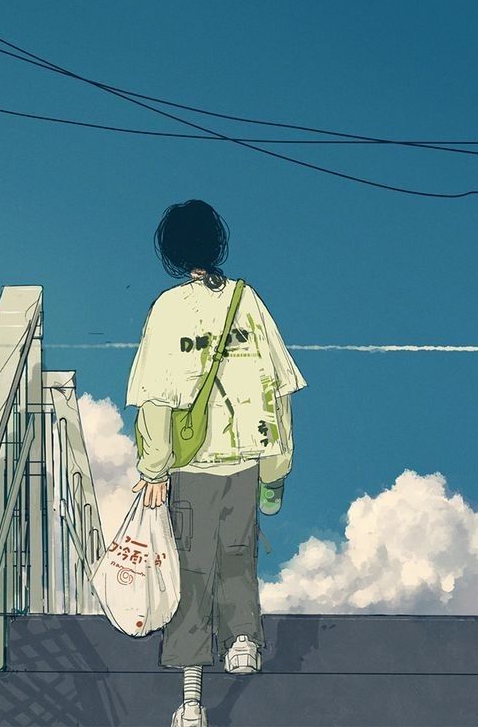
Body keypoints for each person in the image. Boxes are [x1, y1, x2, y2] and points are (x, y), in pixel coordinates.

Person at [126, 199, 306, 727]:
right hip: (246, 459)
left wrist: (154, 469)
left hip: (190, 468)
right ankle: (244, 640)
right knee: (238, 553)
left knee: (190, 572)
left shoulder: (166, 310)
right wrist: (276, 469)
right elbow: (279, 390)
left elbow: (155, 398)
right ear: (218, 244)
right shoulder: (249, 303)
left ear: (172, 253)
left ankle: (189, 699)